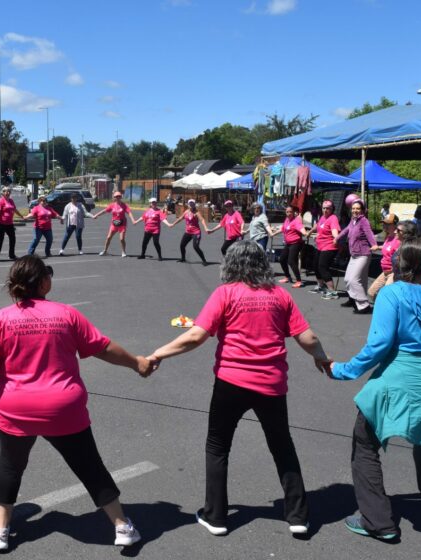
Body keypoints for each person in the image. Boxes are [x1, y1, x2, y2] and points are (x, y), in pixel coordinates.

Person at [0, 256, 153, 551]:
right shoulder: (66, 314)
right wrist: (136, 362)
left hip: (17, 408)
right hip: (64, 408)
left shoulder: (2, 318)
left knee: (11, 466)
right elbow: (103, 348)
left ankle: (0, 529)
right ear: (44, 282)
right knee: (89, 466)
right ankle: (122, 526)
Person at [146, 240, 329, 537]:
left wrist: (158, 353)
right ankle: (297, 515)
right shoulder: (279, 295)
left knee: (218, 446)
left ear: (230, 264)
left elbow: (195, 336)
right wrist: (321, 357)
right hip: (271, 383)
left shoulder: (225, 293)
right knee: (282, 446)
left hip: (231, 381)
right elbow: (307, 337)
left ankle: (216, 516)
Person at [329, 238, 421, 539]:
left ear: (398, 264)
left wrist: (344, 370)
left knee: (365, 442)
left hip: (398, 378)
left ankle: (377, 521)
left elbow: (379, 345)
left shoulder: (391, 293)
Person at [335, 200, 376, 314]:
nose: (355, 210)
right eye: (353, 208)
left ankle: (364, 305)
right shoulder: (353, 221)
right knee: (349, 279)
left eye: (358, 208)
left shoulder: (364, 221)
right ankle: (354, 300)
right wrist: (336, 238)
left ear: (362, 210)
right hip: (354, 254)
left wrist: (374, 245)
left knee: (354, 280)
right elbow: (346, 230)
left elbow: (369, 234)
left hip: (363, 254)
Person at [306, 201, 340, 298]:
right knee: (315, 266)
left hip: (329, 246)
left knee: (322, 267)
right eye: (324, 208)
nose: (325, 210)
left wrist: (336, 237)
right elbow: (317, 225)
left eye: (328, 208)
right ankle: (321, 286)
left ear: (332, 209)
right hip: (320, 246)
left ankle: (333, 292)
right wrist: (310, 232)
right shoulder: (322, 217)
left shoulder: (333, 218)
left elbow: (334, 230)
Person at [366, 213, 400, 302]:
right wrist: (378, 247)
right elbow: (388, 248)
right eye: (384, 223)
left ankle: (389, 312)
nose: (385, 225)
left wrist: (394, 269)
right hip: (385, 272)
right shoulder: (389, 237)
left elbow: (401, 255)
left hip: (393, 272)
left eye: (388, 224)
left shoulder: (399, 239)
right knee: (371, 292)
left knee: (387, 295)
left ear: (395, 225)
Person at [274, 205, 308, 288]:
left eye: (290, 212)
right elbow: (283, 228)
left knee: (291, 261)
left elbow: (301, 229)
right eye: (287, 212)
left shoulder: (296, 221)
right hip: (288, 243)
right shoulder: (287, 220)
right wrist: (273, 233)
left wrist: (305, 233)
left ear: (293, 213)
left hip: (296, 243)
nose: (289, 213)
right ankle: (287, 277)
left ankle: (299, 281)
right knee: (282, 259)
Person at [93, 191, 135, 257]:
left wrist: (133, 220)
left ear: (121, 197)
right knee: (108, 237)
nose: (118, 198)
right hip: (114, 224)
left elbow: (129, 212)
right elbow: (105, 211)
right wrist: (97, 215)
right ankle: (105, 251)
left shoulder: (124, 205)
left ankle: (123, 252)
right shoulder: (112, 205)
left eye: (119, 196)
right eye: (116, 197)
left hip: (122, 224)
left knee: (121, 239)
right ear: (114, 198)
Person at [169, 199, 209, 265]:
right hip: (188, 232)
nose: (191, 205)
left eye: (192, 204)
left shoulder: (196, 213)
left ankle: (204, 260)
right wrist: (173, 224)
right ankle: (183, 258)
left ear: (194, 205)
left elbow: (202, 220)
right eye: (190, 204)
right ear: (188, 204)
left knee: (195, 247)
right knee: (182, 245)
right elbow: (180, 218)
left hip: (196, 232)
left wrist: (205, 228)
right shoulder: (186, 212)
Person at [0, 187, 26, 262]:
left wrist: (22, 216)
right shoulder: (1, 201)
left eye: (9, 192)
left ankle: (11, 255)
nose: (8, 193)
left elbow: (15, 210)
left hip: (10, 223)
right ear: (3, 193)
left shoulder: (11, 201)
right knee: (0, 239)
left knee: (13, 239)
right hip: (1, 223)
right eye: (6, 192)